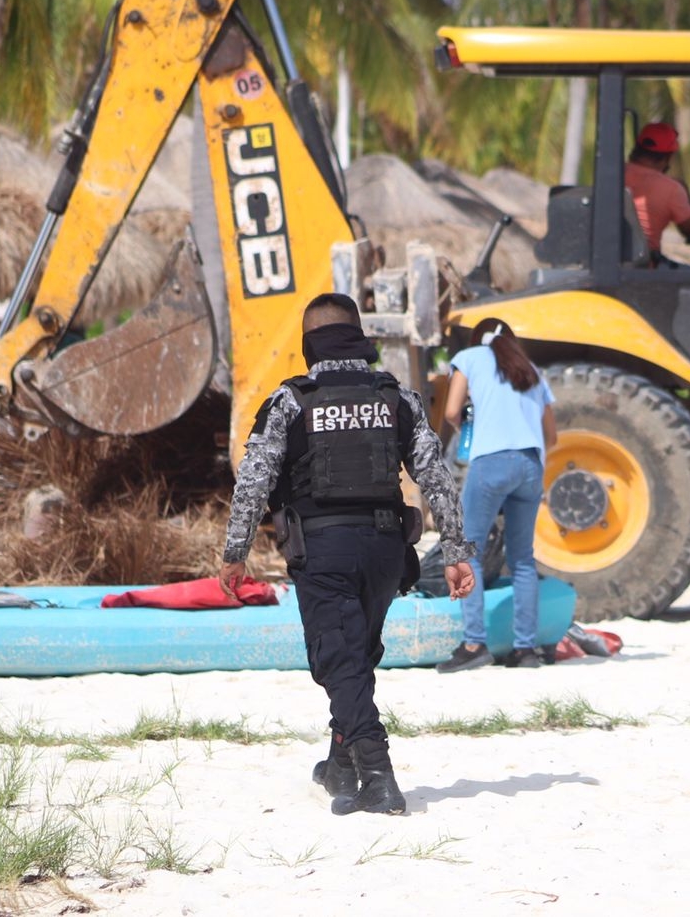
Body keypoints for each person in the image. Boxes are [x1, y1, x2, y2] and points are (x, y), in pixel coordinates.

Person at [219, 293, 475, 816]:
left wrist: (234, 551)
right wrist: (455, 549)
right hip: (386, 550)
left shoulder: (291, 401)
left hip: (324, 550)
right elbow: (436, 476)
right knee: (354, 658)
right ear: (358, 336)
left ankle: (378, 776)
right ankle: (341, 764)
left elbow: (254, 481)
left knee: (339, 661)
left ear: (309, 343)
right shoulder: (395, 398)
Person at [437, 318, 558, 672]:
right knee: (522, 558)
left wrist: (468, 429)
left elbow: (450, 411)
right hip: (530, 465)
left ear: (478, 339)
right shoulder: (530, 369)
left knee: (467, 551)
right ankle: (525, 650)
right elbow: (551, 435)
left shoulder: (469, 357)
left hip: (491, 462)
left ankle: (474, 644)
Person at [625, 122, 690, 264]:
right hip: (644, 268)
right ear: (667, 157)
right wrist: (684, 189)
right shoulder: (672, 189)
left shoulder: (613, 174)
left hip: (610, 263)